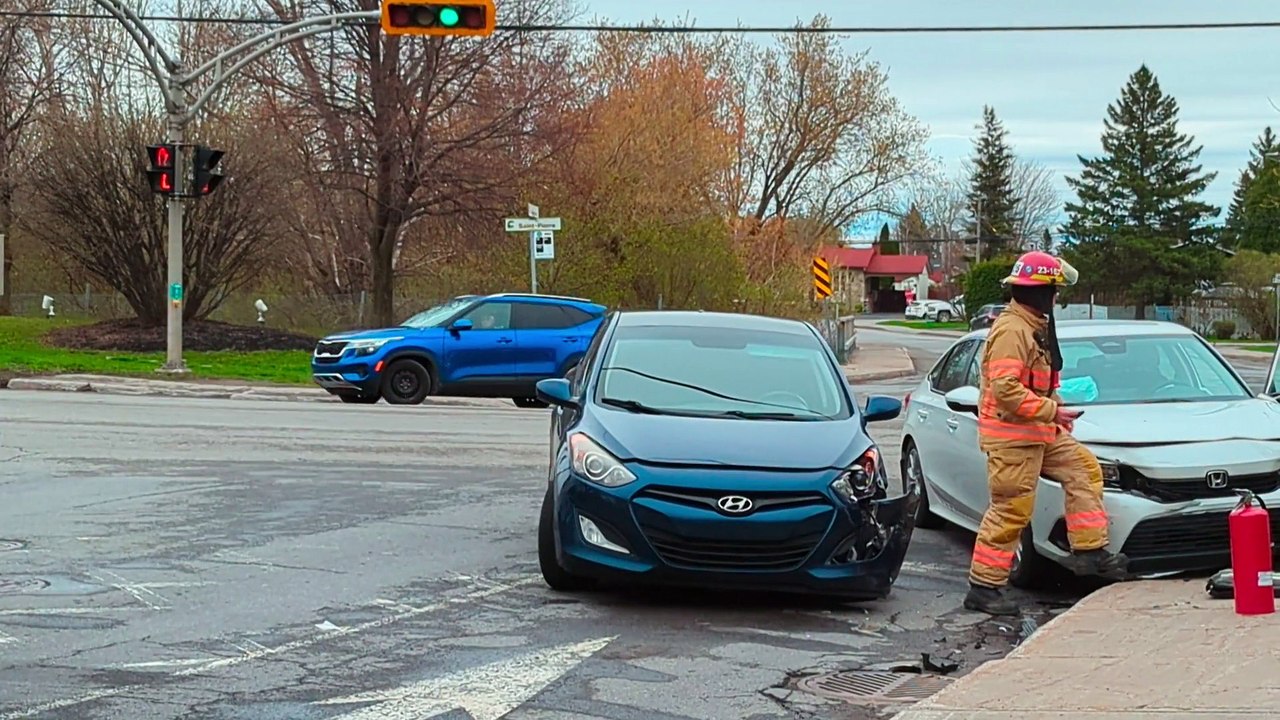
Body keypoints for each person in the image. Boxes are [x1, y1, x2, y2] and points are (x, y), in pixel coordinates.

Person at [963, 251, 1129, 616]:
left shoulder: (1032, 325)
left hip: (1037, 430)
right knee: (1011, 512)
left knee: (1083, 468)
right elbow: (1006, 389)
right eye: (1054, 291)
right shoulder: (1013, 330)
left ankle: (1088, 552)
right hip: (1012, 439)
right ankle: (984, 588)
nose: (1057, 299)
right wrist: (1052, 411)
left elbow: (1034, 384)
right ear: (1039, 292)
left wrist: (1053, 413)